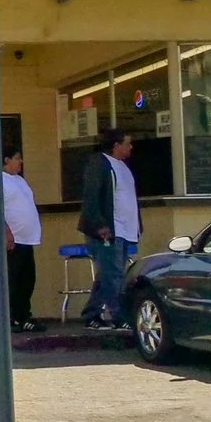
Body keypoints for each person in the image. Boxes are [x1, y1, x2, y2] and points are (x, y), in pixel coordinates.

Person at [77, 128, 139, 329]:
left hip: (124, 230)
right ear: (116, 145)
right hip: (108, 231)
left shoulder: (123, 167)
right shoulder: (100, 164)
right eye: (127, 143)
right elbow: (91, 197)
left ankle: (91, 314)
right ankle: (119, 316)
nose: (131, 147)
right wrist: (99, 224)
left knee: (107, 274)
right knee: (114, 275)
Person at [2, 146, 44, 333]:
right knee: (12, 279)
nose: (21, 162)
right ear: (6, 160)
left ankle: (24, 315)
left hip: (27, 239)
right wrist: (6, 232)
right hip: (13, 240)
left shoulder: (19, 180)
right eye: (17, 158)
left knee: (27, 280)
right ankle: (10, 317)